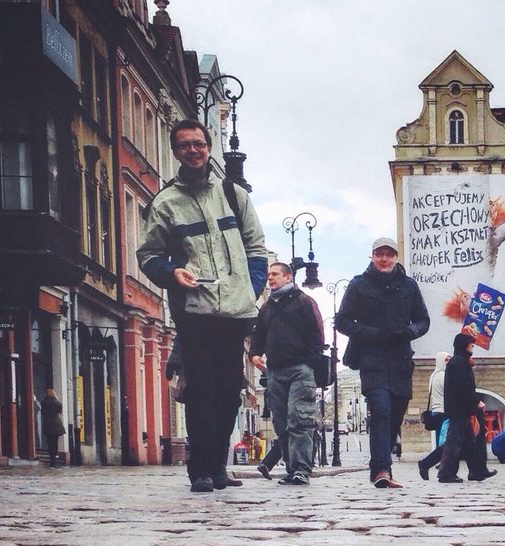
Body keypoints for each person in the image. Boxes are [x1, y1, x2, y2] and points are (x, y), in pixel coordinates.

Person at [137, 119, 267, 494]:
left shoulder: (232, 193)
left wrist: (251, 287)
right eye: (184, 146)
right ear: (176, 151)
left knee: (229, 391)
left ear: (208, 147)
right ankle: (202, 470)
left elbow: (256, 247)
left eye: (198, 144)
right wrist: (171, 273)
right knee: (201, 392)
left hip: (235, 312)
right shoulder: (165, 203)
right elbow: (148, 256)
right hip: (194, 311)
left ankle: (218, 465)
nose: (192, 151)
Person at [335, 236, 430, 489]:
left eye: (389, 254)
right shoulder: (358, 285)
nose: (384, 258)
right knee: (381, 409)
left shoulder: (409, 286)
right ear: (372, 256)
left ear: (396, 257)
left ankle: (380, 463)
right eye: (379, 254)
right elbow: (342, 321)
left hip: (400, 358)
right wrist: (373, 334)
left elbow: (423, 320)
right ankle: (381, 470)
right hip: (371, 356)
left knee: (396, 413)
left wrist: (408, 333)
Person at [249, 260, 325, 487]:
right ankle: (292, 470)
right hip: (275, 371)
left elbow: (317, 335)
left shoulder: (303, 302)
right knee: (281, 423)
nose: (270, 278)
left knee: (299, 419)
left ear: (288, 277)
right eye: (268, 275)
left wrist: (309, 363)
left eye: (275, 274)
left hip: (300, 370)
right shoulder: (267, 307)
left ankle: (301, 470)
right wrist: (254, 353)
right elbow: (258, 335)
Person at [437, 332, 483, 483]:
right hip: (459, 409)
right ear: (464, 345)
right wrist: (476, 401)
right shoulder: (458, 362)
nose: (472, 347)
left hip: (460, 408)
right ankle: (446, 474)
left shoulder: (461, 361)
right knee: (454, 443)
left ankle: (476, 471)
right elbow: (463, 387)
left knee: (469, 442)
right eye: (471, 344)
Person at [417, 352, 449, 480]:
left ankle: (444, 467)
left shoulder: (433, 375)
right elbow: (450, 392)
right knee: (446, 444)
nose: (448, 362)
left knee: (447, 443)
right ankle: (425, 463)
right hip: (443, 413)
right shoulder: (442, 376)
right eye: (446, 360)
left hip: (437, 412)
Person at [39, 387, 64, 466]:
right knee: (55, 442)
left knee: (50, 443)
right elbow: (60, 412)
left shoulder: (43, 402)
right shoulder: (58, 403)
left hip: (48, 425)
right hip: (57, 425)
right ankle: (54, 460)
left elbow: (43, 413)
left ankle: (51, 459)